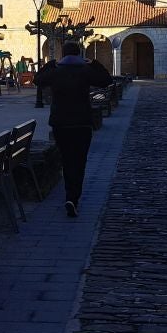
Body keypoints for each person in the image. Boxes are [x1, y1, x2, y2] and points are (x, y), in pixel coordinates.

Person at [33, 40, 112, 217]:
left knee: (66, 159)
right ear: (79, 54)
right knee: (79, 161)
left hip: (61, 123)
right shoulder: (85, 71)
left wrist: (50, 64)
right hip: (82, 122)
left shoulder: (56, 71)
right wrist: (95, 63)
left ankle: (69, 194)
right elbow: (106, 80)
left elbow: (37, 80)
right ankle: (73, 197)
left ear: (63, 54)